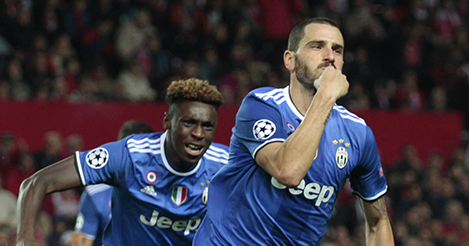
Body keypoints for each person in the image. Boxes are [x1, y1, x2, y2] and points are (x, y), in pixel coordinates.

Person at [193, 17, 394, 245]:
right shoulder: (261, 105)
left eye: (337, 50)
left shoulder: (357, 133)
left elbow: (378, 222)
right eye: (317, 46)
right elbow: (287, 170)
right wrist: (326, 94)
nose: (329, 56)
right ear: (290, 60)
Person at [16, 78, 229, 246]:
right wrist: (26, 239)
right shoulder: (129, 156)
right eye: (189, 122)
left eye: (207, 126)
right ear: (167, 121)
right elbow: (36, 182)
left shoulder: (226, 165)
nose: (198, 133)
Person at [71, 120, 154, 246]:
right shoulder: (95, 194)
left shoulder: (170, 191)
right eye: (129, 153)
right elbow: (81, 242)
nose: (135, 159)